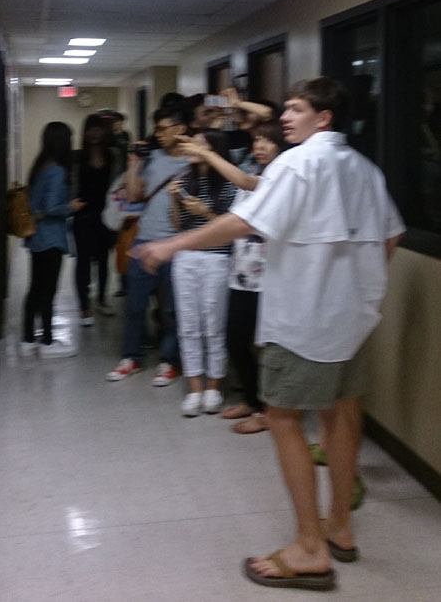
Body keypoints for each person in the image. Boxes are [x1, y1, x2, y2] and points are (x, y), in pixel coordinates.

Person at [133, 77, 404, 591]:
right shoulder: (364, 168)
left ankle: (309, 549)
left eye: (296, 109)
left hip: (304, 319)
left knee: (281, 417)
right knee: (342, 411)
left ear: (323, 118)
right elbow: (392, 235)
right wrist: (354, 283)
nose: (284, 117)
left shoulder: (297, 164)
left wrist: (172, 246)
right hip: (352, 319)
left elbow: (242, 222)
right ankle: (339, 527)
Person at [176, 120, 286, 432]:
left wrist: (205, 153)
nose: (259, 146)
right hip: (242, 273)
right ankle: (253, 400)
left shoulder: (283, 176)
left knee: (263, 345)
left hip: (268, 276)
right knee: (236, 340)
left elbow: (244, 183)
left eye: (268, 141)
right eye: (257, 140)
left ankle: (268, 410)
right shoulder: (258, 171)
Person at [106, 106, 189, 386]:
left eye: (163, 128)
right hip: (144, 241)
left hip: (176, 244)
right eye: (157, 129)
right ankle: (131, 357)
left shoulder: (193, 161)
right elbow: (133, 196)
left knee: (172, 309)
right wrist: (134, 164)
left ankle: (169, 361)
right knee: (134, 305)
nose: (158, 134)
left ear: (180, 129)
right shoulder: (152, 158)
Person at [169, 130, 237, 416]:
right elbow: (177, 225)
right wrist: (174, 200)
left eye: (198, 144)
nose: (191, 148)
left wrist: (205, 212)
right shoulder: (185, 177)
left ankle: (213, 387)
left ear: (214, 149)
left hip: (217, 258)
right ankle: (195, 389)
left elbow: (234, 227)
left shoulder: (230, 182)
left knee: (213, 325)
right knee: (188, 325)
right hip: (186, 256)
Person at [20, 122, 85, 358]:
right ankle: (47, 341)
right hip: (51, 238)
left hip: (37, 237)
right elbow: (51, 207)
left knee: (35, 288)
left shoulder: (40, 166)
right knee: (48, 290)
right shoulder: (57, 171)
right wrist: (71, 206)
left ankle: (28, 338)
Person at [73, 114, 121, 325]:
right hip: (83, 216)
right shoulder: (78, 158)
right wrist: (71, 203)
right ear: (85, 132)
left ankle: (101, 299)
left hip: (106, 217)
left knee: (103, 261)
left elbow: (118, 185)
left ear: (104, 131)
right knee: (83, 262)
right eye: (90, 129)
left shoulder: (113, 156)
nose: (94, 133)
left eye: (98, 129)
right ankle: (84, 306)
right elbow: (71, 184)